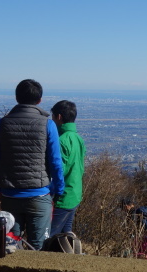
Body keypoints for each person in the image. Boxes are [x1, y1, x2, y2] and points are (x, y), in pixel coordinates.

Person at [0, 79, 65, 250]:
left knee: (10, 244)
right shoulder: (48, 124)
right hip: (39, 195)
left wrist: (0, 187)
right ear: (39, 100)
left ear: (17, 98)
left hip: (9, 194)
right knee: (38, 246)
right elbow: (55, 162)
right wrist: (58, 189)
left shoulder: (2, 124)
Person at [49, 100, 86, 235]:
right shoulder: (78, 138)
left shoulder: (61, 140)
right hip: (75, 193)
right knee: (66, 235)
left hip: (63, 197)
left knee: (50, 237)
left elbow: (59, 171)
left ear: (58, 117)